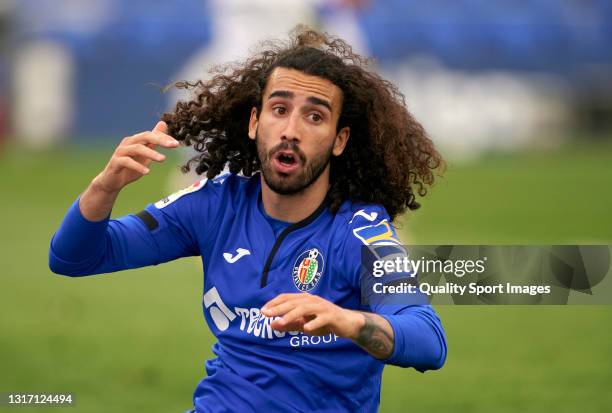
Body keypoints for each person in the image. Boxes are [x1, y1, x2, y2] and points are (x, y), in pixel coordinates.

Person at [49, 26, 447, 413]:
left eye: (314, 117)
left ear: (339, 140)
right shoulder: (216, 204)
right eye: (280, 109)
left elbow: (429, 339)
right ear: (255, 122)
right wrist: (104, 187)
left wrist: (347, 321)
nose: (290, 130)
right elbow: (74, 258)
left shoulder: (359, 231)